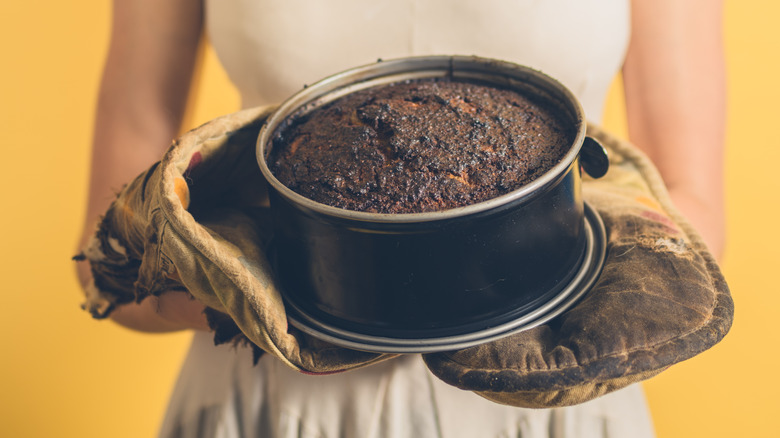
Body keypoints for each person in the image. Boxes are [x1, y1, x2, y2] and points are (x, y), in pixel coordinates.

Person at [77, 0, 726, 436]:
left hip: (546, 400)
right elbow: (107, 256)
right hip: (276, 405)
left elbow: (693, 207)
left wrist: (595, 303)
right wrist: (256, 300)